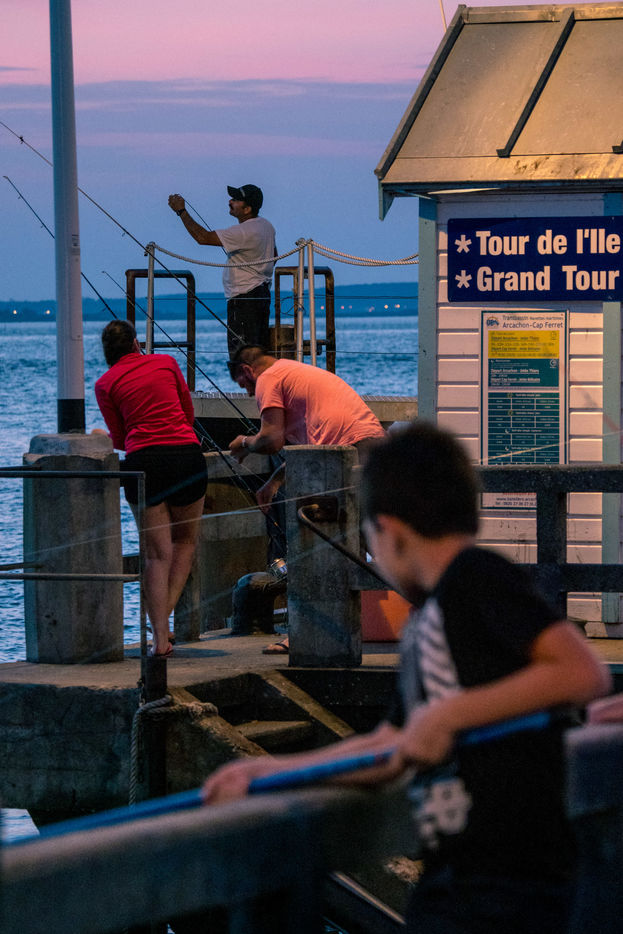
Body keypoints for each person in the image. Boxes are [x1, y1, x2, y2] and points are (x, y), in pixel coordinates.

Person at [202, 422, 611, 933]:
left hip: (516, 882)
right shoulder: (426, 622)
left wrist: (451, 715)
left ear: (388, 531)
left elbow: (580, 671)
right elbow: (389, 745)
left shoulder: (476, 576)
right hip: (454, 880)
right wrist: (270, 773)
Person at [227, 344, 386, 652]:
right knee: (369, 542)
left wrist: (244, 443)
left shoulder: (268, 377)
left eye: (244, 385)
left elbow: (271, 439)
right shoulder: (293, 372)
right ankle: (363, 626)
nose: (248, 393)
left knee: (314, 540)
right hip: (371, 448)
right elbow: (309, 451)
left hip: (342, 454)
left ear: (247, 370)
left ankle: (306, 633)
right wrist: (272, 483)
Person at [94, 320, 208, 657]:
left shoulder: (105, 384)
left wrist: (101, 437)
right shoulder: (166, 363)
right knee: (185, 542)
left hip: (144, 462)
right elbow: (187, 414)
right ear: (135, 343)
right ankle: (163, 618)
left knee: (156, 555)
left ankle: (159, 638)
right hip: (185, 456)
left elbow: (119, 438)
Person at [168, 185, 276, 357]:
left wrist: (181, 211)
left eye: (236, 200)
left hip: (243, 298)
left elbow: (202, 237)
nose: (230, 201)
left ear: (247, 209)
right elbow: (274, 255)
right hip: (261, 294)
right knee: (257, 351)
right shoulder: (266, 226)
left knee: (242, 355)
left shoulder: (244, 231)